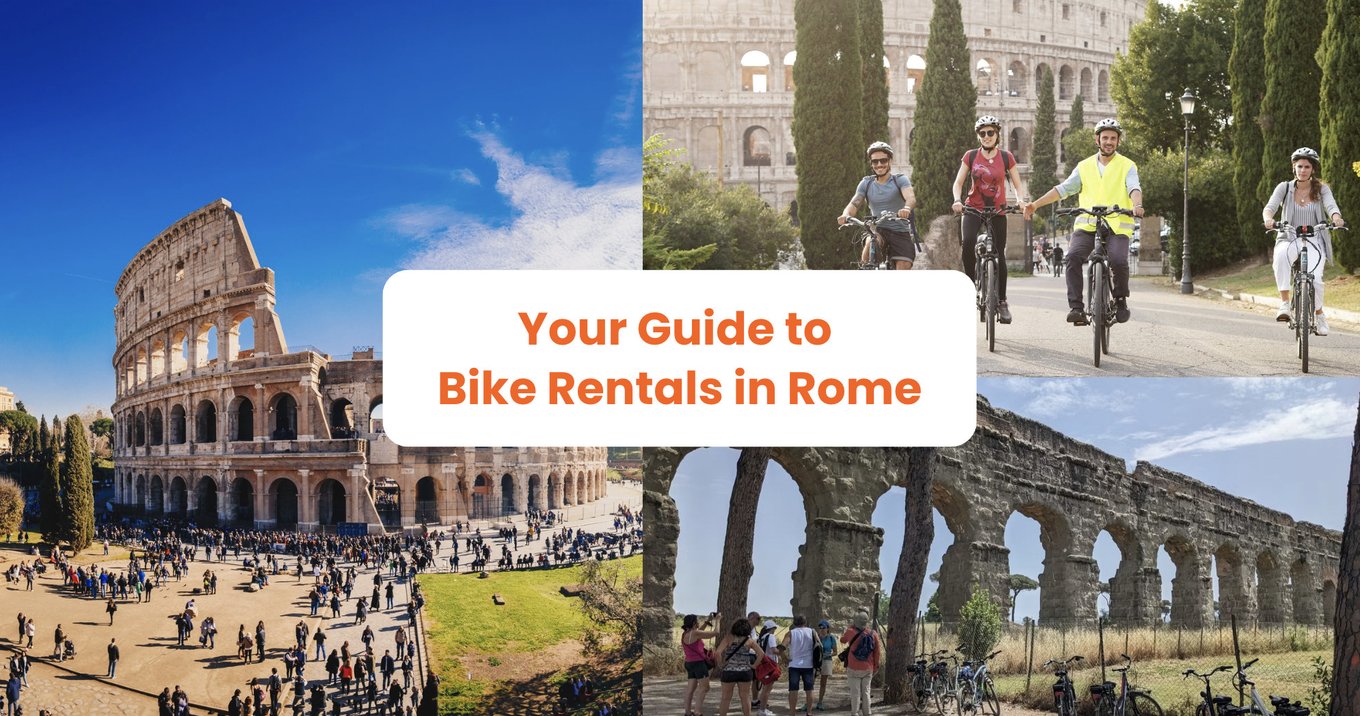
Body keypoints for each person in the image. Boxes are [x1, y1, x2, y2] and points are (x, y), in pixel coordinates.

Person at [1025, 117, 1144, 325]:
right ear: (1097, 140)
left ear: (1118, 141)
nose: (1109, 142)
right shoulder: (1084, 166)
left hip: (1117, 225)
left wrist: (1137, 205)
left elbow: (1134, 187)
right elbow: (1063, 189)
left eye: (1113, 138)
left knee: (1118, 260)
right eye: (1105, 138)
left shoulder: (1127, 165)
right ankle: (1077, 308)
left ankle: (1120, 299)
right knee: (1072, 257)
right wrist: (1035, 204)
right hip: (1087, 224)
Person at [953, 116, 1029, 324]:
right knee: (968, 242)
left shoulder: (1006, 157)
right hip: (972, 208)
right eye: (982, 133)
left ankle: (1002, 301)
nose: (986, 136)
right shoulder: (970, 156)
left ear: (997, 135)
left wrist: (1020, 200)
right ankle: (970, 286)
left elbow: (1017, 184)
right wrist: (957, 200)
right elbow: (958, 183)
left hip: (998, 210)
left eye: (990, 133)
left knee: (999, 254)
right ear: (978, 136)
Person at [1261, 146, 1345, 335]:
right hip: (1289, 236)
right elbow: (1270, 207)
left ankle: (1319, 315)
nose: (1303, 170)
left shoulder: (1321, 189)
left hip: (1314, 238)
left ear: (1313, 169)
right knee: (1280, 257)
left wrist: (1336, 218)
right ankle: (1284, 303)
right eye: (1299, 166)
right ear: (1294, 167)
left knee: (1316, 279)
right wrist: (1269, 219)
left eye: (1307, 167)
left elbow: (1331, 206)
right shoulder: (1284, 187)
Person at [837, 141, 918, 270]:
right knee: (871, 244)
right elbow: (854, 204)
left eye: (883, 160)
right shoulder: (866, 183)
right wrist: (845, 215)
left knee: (903, 266)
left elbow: (910, 198)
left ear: (890, 161)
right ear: (871, 164)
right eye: (875, 162)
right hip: (878, 230)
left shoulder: (900, 180)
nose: (879, 164)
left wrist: (906, 208)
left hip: (900, 231)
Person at [715, 618, 766, 716]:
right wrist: (754, 665)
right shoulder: (749, 641)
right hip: (745, 671)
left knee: (726, 698)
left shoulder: (728, 638)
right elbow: (761, 654)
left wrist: (721, 664)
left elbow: (717, 653)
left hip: (729, 670)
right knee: (745, 697)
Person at [840, 613, 882, 716]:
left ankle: (855, 713)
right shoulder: (873, 634)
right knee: (866, 691)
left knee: (855, 692)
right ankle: (867, 712)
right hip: (868, 668)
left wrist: (850, 628)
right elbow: (877, 652)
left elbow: (842, 640)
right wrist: (876, 666)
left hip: (853, 667)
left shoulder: (850, 632)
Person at [682, 613, 722, 716]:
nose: (699, 622)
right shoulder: (695, 633)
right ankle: (697, 712)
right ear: (694, 623)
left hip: (689, 663)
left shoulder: (686, 633)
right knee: (704, 688)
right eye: (697, 621)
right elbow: (716, 632)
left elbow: (699, 632)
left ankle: (687, 712)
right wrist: (717, 620)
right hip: (698, 664)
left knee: (690, 689)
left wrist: (707, 621)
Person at [781, 615, 817, 716]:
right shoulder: (812, 632)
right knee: (809, 689)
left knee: (793, 689)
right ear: (805, 622)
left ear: (794, 623)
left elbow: (781, 647)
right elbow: (819, 646)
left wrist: (784, 658)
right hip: (808, 664)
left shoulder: (791, 633)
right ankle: (809, 712)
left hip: (794, 664)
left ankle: (792, 713)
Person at [814, 620, 837, 711]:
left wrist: (828, 654)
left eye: (824, 627)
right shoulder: (816, 637)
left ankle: (820, 702)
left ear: (827, 628)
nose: (822, 629)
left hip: (826, 661)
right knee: (811, 682)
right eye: (820, 628)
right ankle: (807, 702)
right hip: (816, 661)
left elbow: (835, 652)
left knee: (823, 683)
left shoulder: (831, 638)